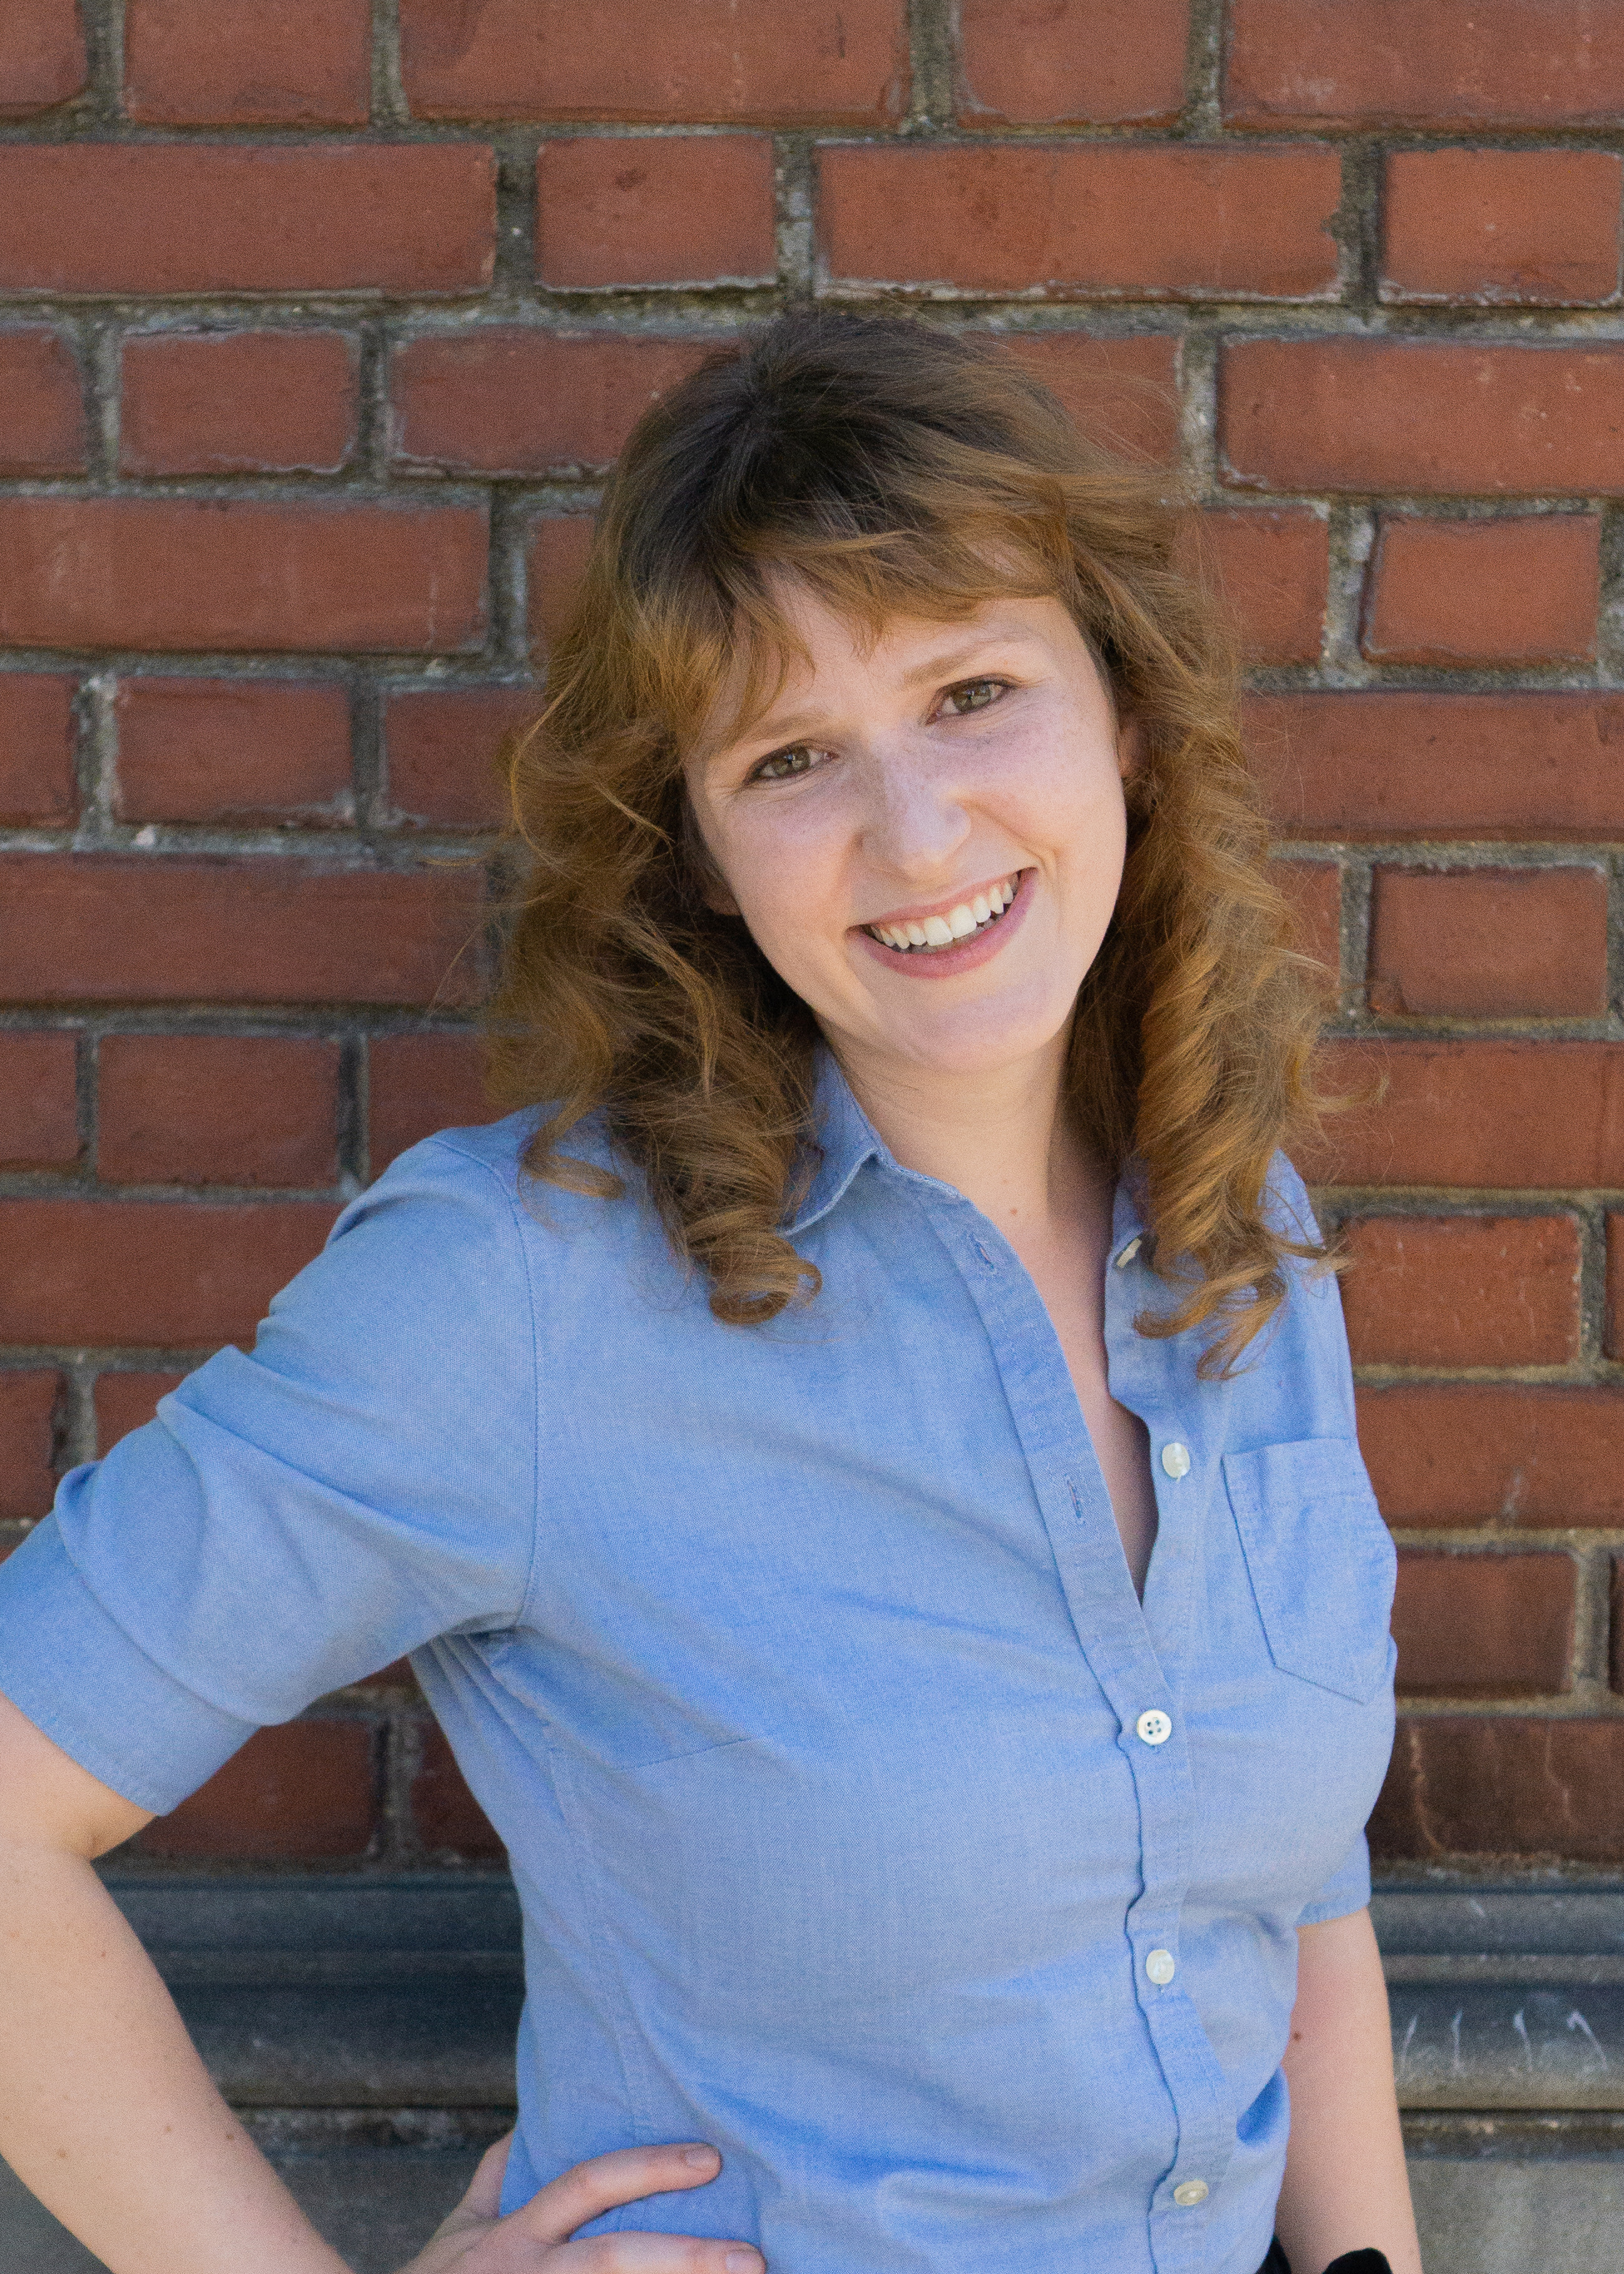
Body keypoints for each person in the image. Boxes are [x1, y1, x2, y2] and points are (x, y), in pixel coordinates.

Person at [0, 311, 1417, 2274]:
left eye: (972, 692)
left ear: (1126, 717)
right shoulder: (516, 1299)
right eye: (792, 756)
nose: (915, 834)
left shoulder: (1232, 1226)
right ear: (698, 847)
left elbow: (1289, 1882)